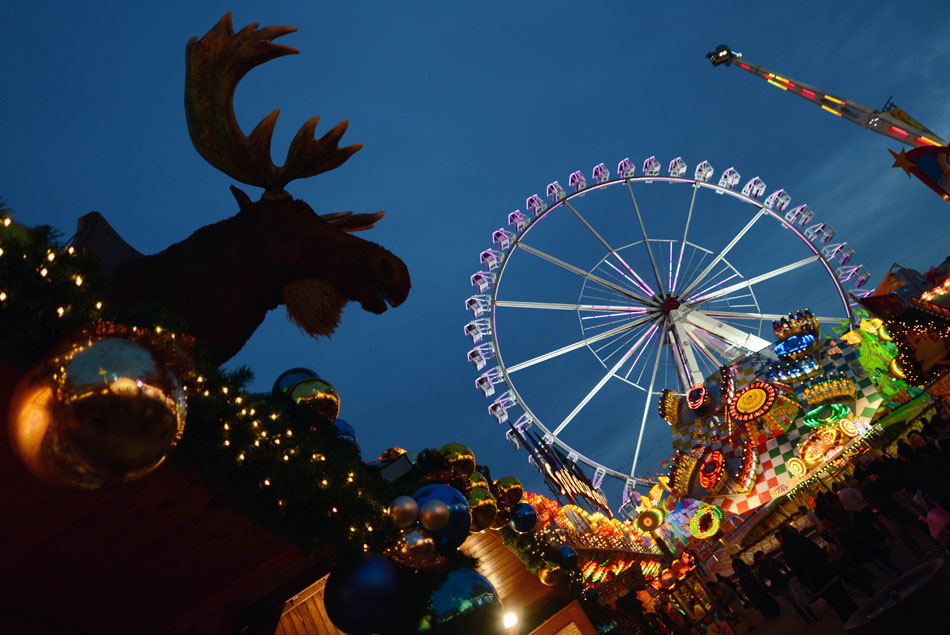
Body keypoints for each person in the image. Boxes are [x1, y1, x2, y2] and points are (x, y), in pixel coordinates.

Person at [779, 525, 858, 622]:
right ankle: (862, 619)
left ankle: (851, 625)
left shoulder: (786, 553)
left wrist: (810, 586)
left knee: (837, 607)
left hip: (817, 584)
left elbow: (797, 573)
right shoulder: (802, 540)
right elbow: (819, 553)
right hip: (828, 574)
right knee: (846, 600)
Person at [753, 550, 817, 623]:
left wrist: (770, 589)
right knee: (794, 602)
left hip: (782, 582)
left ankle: (809, 615)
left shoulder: (769, 562)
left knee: (797, 598)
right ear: (759, 558)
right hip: (780, 584)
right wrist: (770, 589)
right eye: (762, 555)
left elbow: (780, 566)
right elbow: (762, 581)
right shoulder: (762, 569)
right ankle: (808, 616)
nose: (764, 556)